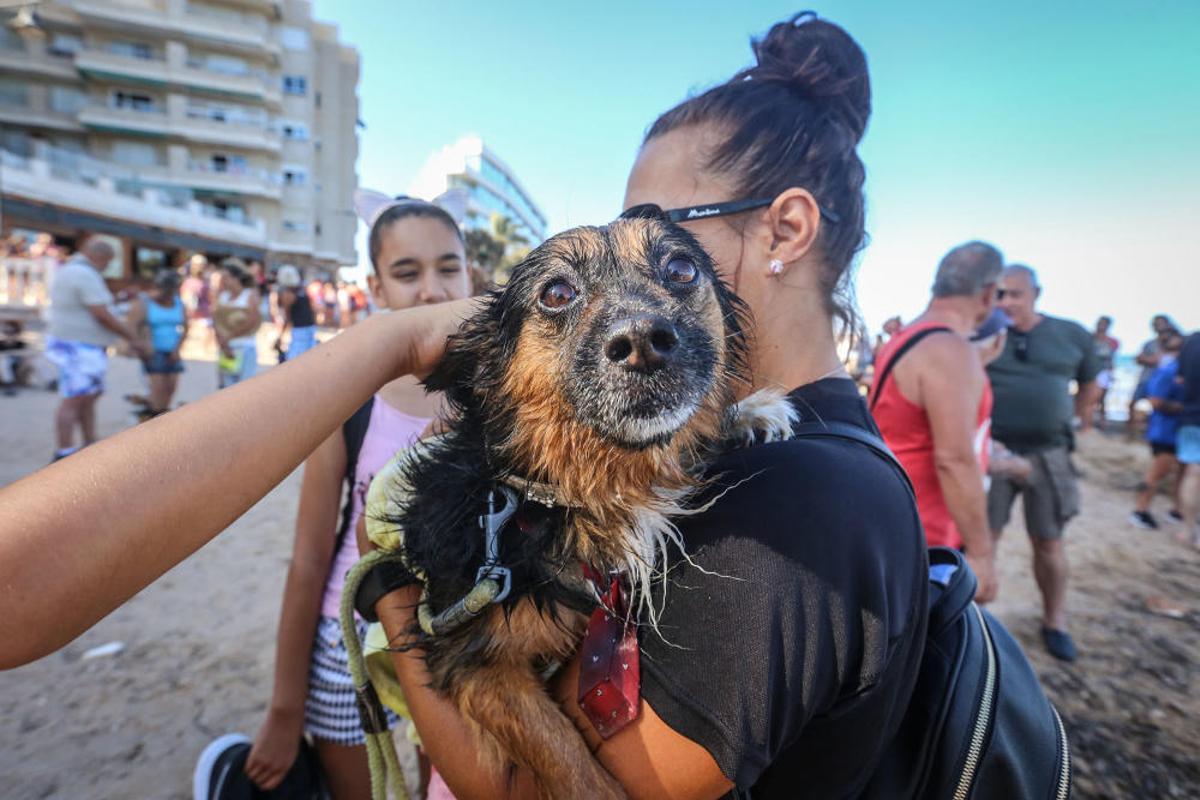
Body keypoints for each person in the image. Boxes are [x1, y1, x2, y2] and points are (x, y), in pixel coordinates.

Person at [369, 14, 926, 799]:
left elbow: (517, 793)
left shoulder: (792, 510)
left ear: (788, 229)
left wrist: (389, 595)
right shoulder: (765, 450)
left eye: (670, 253)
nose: (635, 320)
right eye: (570, 292)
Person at [227, 195, 473, 800]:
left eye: (448, 267)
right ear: (375, 286)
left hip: (459, 650)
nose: (431, 291)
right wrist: (285, 711)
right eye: (407, 273)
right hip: (349, 654)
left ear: (471, 273)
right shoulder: (348, 396)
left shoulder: (499, 394)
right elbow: (310, 559)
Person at [870, 241, 1003, 601]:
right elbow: (954, 459)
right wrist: (981, 553)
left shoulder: (908, 337)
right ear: (989, 293)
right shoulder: (949, 350)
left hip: (890, 518)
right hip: (926, 538)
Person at [987, 264, 1101, 662]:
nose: (1007, 302)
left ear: (1036, 293)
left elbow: (1089, 384)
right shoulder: (984, 335)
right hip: (993, 453)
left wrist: (1074, 420)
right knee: (983, 539)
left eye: (1016, 294)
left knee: (1049, 541)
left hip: (1049, 453)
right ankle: (972, 620)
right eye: (1000, 294)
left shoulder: (1071, 334)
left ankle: (1055, 620)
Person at [45, 238, 147, 461]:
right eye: (107, 262)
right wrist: (132, 337)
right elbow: (101, 313)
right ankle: (64, 451)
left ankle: (88, 441)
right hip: (78, 346)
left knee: (88, 394)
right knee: (74, 398)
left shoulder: (75, 271)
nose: (107, 267)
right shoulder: (83, 274)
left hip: (79, 344)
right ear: (99, 257)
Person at [1130, 332, 1186, 529]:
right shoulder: (1169, 371)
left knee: (1183, 471)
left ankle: (1178, 510)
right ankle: (1140, 510)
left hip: (1177, 430)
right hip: (1165, 431)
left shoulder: (1181, 371)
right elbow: (1155, 401)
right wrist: (1186, 408)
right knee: (1158, 472)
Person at [212, 258, 262, 388]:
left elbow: (252, 321)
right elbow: (216, 322)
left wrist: (228, 338)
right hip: (226, 348)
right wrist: (223, 344)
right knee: (227, 387)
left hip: (244, 347)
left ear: (236, 278)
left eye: (226, 277)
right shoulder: (223, 296)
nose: (223, 281)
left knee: (244, 387)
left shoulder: (249, 295)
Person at [1129, 314, 1180, 435]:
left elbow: (1159, 360)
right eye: (1156, 324)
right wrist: (1152, 360)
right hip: (1147, 379)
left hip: (1163, 383)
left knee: (1160, 407)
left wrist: (1150, 359)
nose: (1158, 327)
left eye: (1161, 323)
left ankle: (1151, 432)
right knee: (1134, 404)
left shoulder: (1173, 343)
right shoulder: (1150, 343)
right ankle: (1132, 432)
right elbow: (1139, 359)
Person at [1176, 331, 1200, 549]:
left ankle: (1187, 529)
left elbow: (1179, 378)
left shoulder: (1192, 341)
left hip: (1192, 414)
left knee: (1193, 472)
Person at [272, 264, 318, 362]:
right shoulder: (302, 290)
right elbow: (312, 309)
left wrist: (281, 336)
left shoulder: (288, 294)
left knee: (295, 359)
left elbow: (287, 317)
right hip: (309, 327)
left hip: (299, 329)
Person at [1090, 315, 1120, 431]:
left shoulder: (1112, 341)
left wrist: (1112, 373)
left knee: (1102, 398)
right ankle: (1088, 421)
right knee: (1090, 397)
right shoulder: (1090, 338)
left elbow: (1112, 358)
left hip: (1104, 372)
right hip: (1091, 370)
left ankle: (1101, 423)